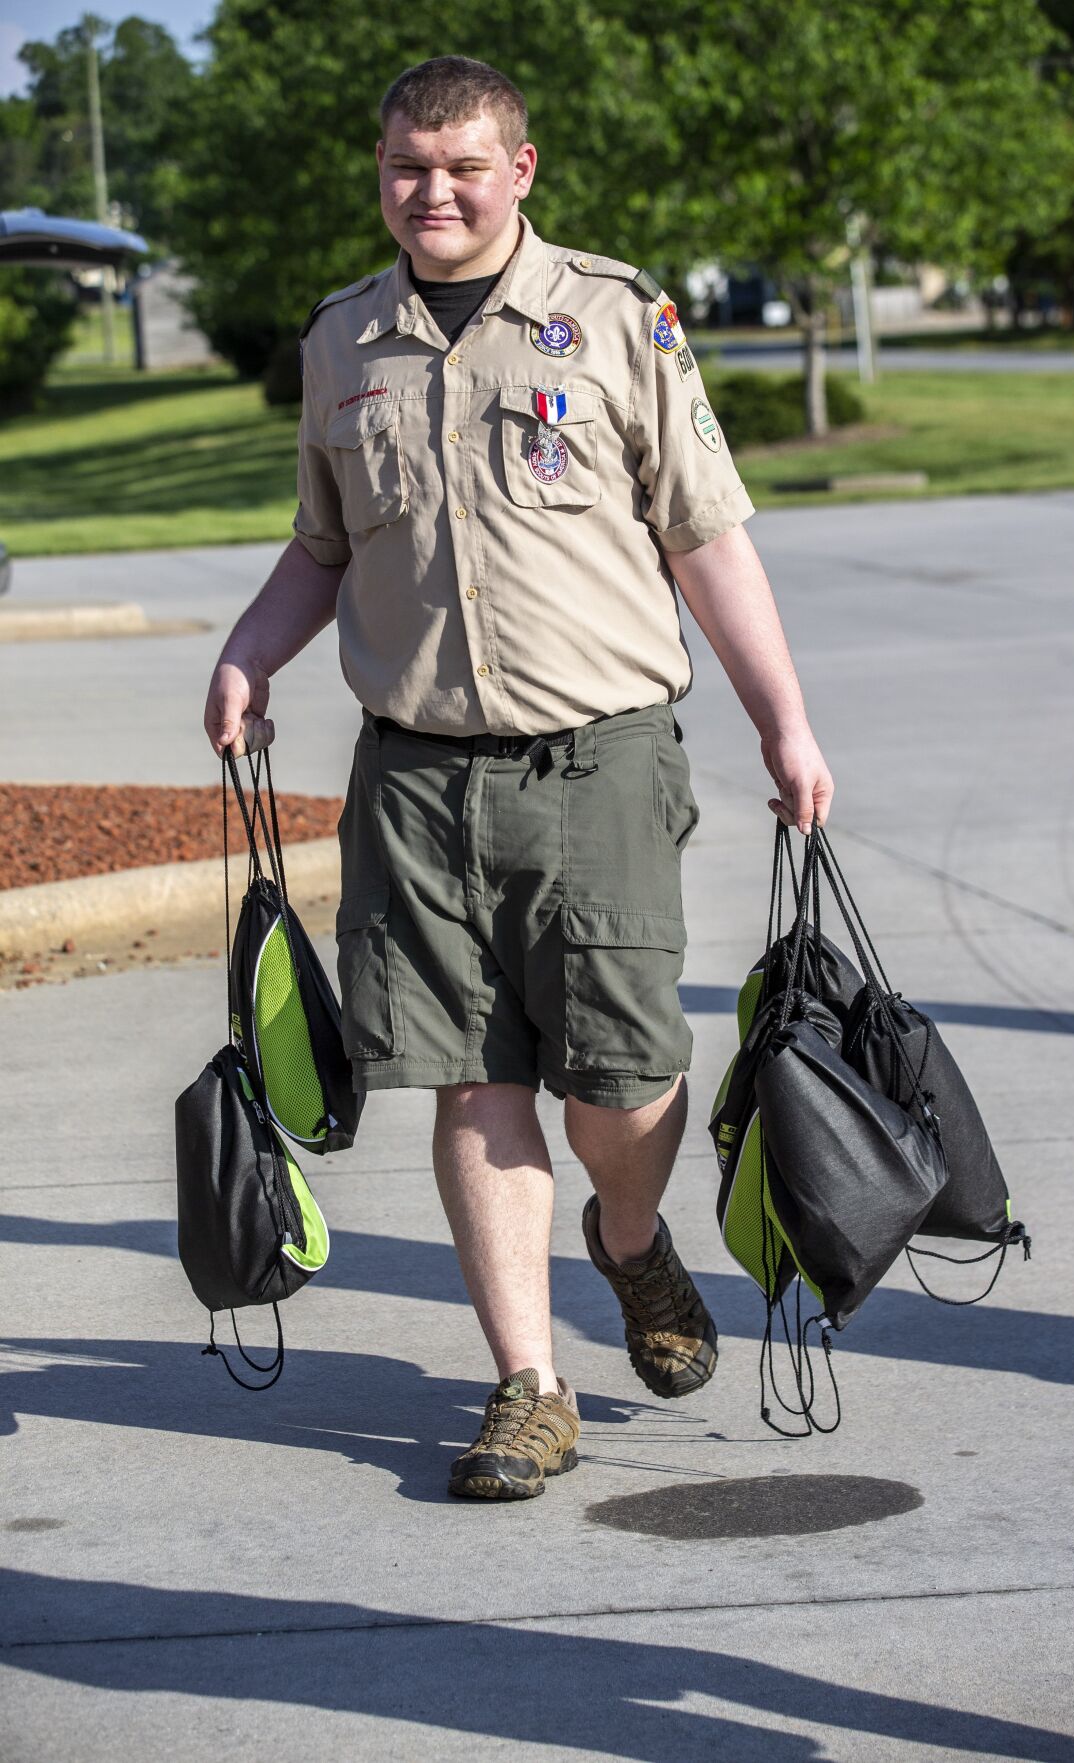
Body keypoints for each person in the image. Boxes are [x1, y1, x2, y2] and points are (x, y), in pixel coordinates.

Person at [204, 54, 834, 1502]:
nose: (431, 192)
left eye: (462, 167)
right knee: (475, 1082)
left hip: (598, 761)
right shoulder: (342, 342)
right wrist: (251, 655)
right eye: (406, 167)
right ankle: (528, 1387)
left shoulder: (617, 319)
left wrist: (784, 724)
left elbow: (709, 538)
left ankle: (630, 1238)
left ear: (521, 171)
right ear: (379, 171)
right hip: (416, 785)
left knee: (624, 1079)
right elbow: (322, 545)